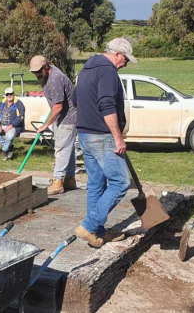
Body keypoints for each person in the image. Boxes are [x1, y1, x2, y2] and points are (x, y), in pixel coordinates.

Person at [72, 37, 136, 248]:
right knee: (120, 182)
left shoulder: (86, 69)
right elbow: (107, 104)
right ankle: (89, 225)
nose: (126, 64)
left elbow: (75, 100)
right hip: (102, 137)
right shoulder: (108, 71)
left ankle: (97, 232)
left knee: (96, 184)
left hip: (85, 135)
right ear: (117, 54)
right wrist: (118, 137)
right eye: (125, 59)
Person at [30, 55, 78, 195]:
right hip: (63, 116)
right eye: (34, 73)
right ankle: (69, 179)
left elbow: (57, 107)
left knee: (61, 148)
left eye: (39, 72)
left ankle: (57, 182)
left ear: (46, 67)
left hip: (69, 117)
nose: (37, 75)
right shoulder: (47, 75)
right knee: (68, 148)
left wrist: (45, 125)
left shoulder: (55, 78)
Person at [0, 87, 25, 161]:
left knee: (9, 136)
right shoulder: (2, 103)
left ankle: (5, 151)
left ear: (14, 94)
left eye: (11, 94)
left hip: (14, 126)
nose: (9, 95)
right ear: (5, 95)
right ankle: (9, 147)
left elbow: (20, 117)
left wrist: (11, 125)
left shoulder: (19, 104)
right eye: (7, 94)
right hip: (1, 124)